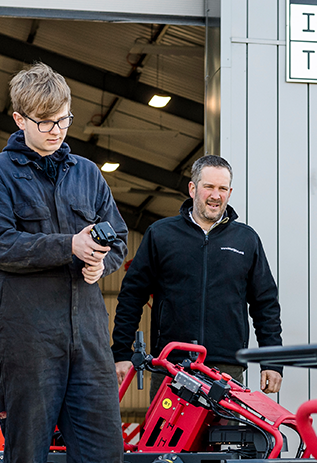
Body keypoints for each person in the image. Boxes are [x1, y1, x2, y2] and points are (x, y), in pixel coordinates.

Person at [0, 63, 128, 463]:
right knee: (27, 456)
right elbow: (0, 247)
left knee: (102, 454)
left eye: (62, 119)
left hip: (87, 334)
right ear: (19, 119)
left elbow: (120, 236)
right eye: (44, 122)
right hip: (26, 332)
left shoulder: (87, 172)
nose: (56, 129)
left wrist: (99, 261)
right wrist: (69, 246)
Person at [112, 155, 282, 394]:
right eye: (209, 187)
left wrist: (272, 362)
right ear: (192, 189)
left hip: (227, 369)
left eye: (222, 188)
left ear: (230, 192)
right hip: (171, 365)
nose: (216, 195)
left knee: (226, 434)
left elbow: (266, 305)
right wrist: (121, 352)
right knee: (165, 433)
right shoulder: (160, 235)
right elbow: (132, 295)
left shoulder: (247, 240)